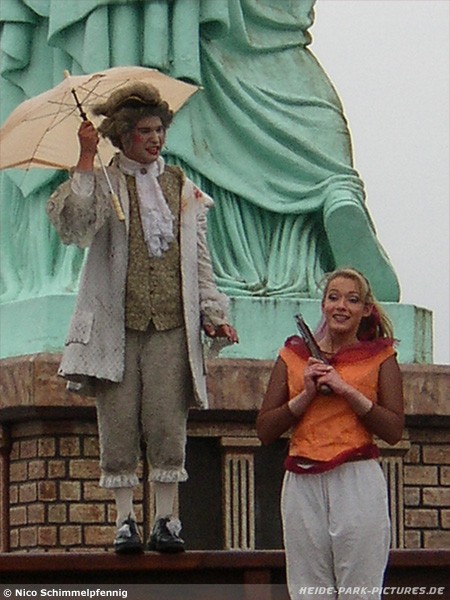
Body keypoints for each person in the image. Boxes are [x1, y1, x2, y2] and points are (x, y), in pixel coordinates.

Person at [46, 82, 238, 555]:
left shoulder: (181, 188)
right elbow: (74, 226)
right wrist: (85, 158)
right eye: (145, 131)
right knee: (117, 421)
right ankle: (124, 520)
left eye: (159, 130)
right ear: (123, 135)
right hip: (117, 325)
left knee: (166, 421)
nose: (155, 139)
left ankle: (167, 520)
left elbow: (199, 258)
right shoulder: (105, 182)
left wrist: (212, 312)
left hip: (170, 325)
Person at [256, 268, 404, 600]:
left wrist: (347, 390)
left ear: (365, 309)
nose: (341, 306)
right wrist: (305, 395)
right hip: (302, 478)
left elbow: (393, 429)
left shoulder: (381, 357)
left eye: (352, 300)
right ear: (323, 304)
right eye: (333, 297)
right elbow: (265, 430)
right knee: (308, 589)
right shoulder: (293, 356)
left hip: (356, 475)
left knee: (359, 589)